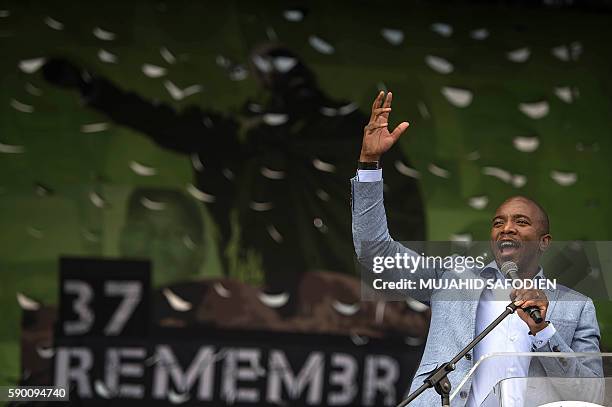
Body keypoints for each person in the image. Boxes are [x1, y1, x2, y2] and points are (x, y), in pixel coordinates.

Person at [41, 46, 426, 307]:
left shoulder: (345, 137)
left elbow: (403, 209)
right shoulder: (246, 139)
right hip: (266, 289)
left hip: (337, 290)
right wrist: (95, 91)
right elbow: (164, 124)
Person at [351, 91, 602, 406]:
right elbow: (375, 252)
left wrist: (544, 330)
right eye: (498, 223)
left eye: (521, 222)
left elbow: (592, 395)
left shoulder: (576, 307)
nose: (506, 228)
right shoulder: (453, 279)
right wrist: (369, 164)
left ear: (544, 242)